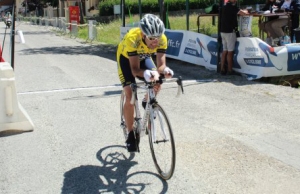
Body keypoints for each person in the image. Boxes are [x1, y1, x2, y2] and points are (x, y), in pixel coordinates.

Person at [116, 14, 174, 152]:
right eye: (152, 38)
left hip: (144, 57)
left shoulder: (162, 39)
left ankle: (146, 101)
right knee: (130, 95)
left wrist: (165, 70)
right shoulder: (132, 38)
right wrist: (146, 73)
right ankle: (130, 134)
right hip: (127, 60)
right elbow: (135, 69)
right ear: (143, 34)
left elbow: (160, 66)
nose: (155, 41)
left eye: (158, 37)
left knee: (157, 80)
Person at [220, 0, 248, 75]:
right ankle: (230, 70)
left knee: (224, 50)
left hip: (223, 31)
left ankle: (222, 68)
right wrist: (246, 10)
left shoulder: (224, 7)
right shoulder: (232, 7)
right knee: (230, 52)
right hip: (230, 32)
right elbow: (243, 13)